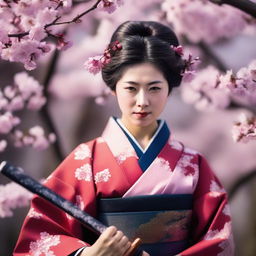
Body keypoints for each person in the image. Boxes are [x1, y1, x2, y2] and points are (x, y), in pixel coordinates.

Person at [13, 21, 234, 256]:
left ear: (170, 88)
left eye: (154, 88)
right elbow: (42, 234)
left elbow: (218, 239)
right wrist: (88, 254)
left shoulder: (195, 165)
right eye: (131, 88)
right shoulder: (85, 160)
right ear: (113, 88)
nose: (142, 101)